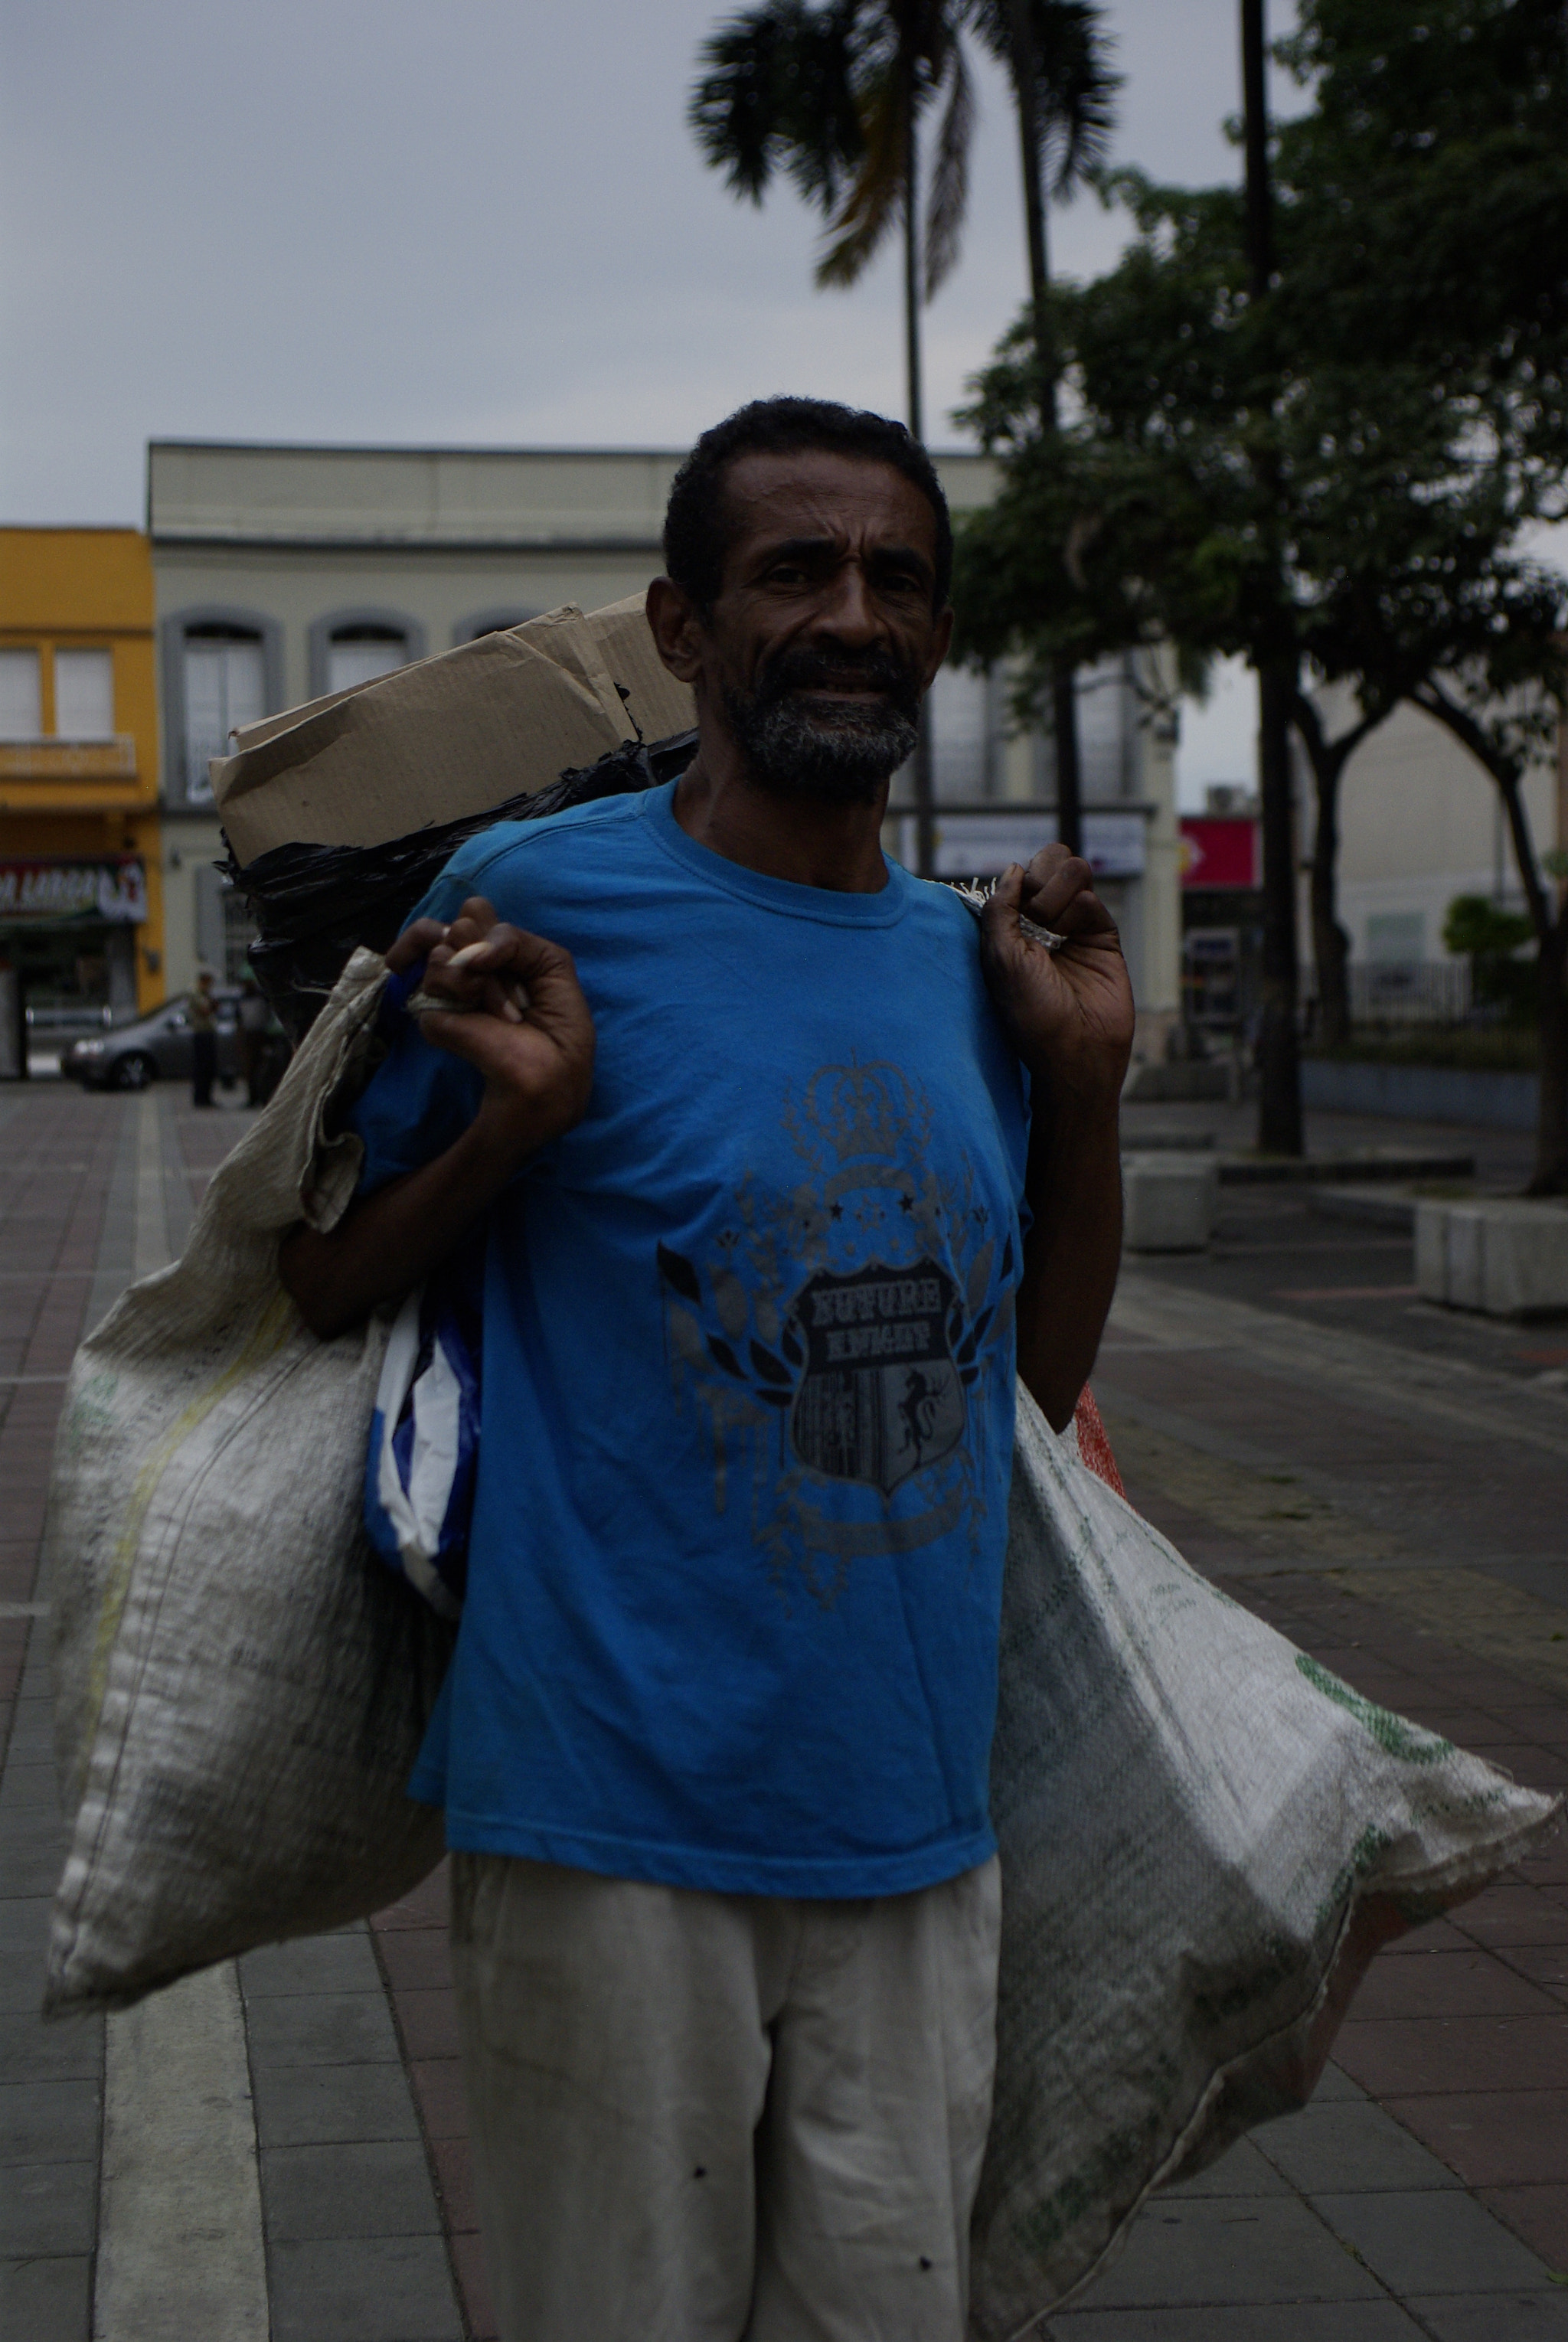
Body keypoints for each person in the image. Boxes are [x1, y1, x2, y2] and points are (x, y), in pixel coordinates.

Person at [279, 397, 1134, 2342]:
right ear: (682, 629)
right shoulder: (539, 898)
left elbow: (1016, 1396)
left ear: (936, 634)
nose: (851, 613)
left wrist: (1078, 1093)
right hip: (605, 1816)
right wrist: (513, 1129)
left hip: (914, 1818)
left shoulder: (969, 968)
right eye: (793, 573)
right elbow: (318, 1282)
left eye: (895, 578)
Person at [236, 971, 271, 1107]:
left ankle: (262, 1097)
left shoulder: (262, 997)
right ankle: (252, 1098)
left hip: (260, 1035)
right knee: (250, 1070)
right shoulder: (242, 999)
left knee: (261, 1070)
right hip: (249, 1037)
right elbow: (239, 1022)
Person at [188, 968, 217, 1108]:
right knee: (202, 1067)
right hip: (201, 1033)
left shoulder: (206, 994)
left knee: (209, 1068)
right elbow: (204, 1011)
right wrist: (213, 1006)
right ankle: (200, 1098)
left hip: (208, 1032)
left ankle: (207, 1097)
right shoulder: (196, 994)